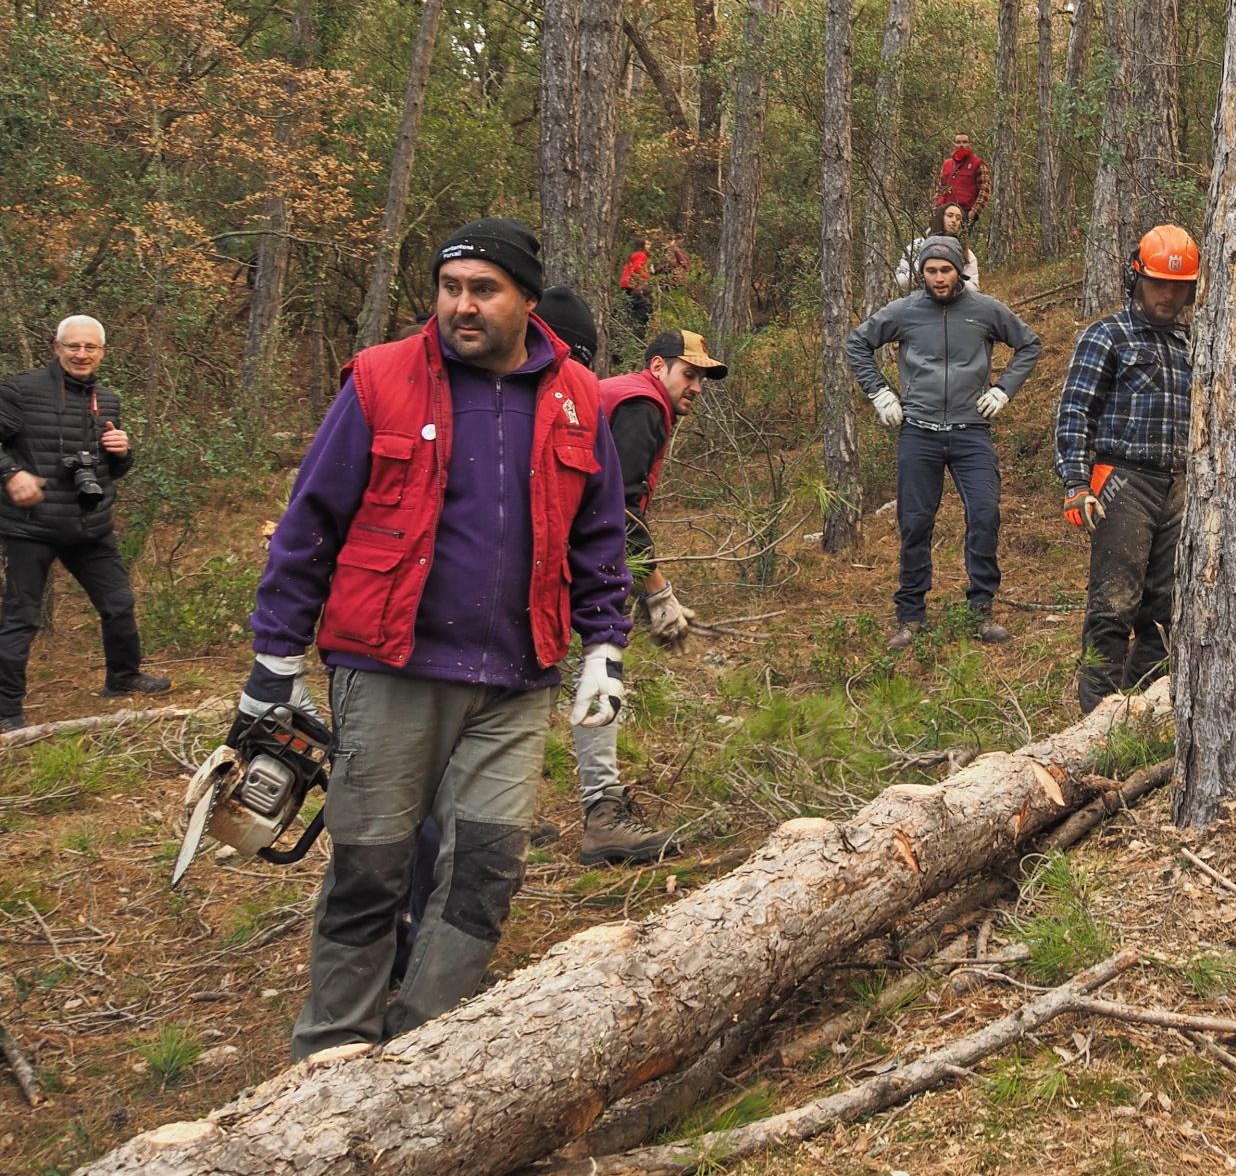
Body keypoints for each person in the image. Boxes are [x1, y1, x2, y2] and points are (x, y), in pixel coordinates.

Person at [248, 219, 631, 1059]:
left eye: (483, 289)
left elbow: (599, 535)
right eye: (450, 288)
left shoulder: (576, 395)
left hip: (517, 678)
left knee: (486, 871)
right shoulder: (381, 379)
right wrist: (274, 660)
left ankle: (424, 1049)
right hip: (391, 668)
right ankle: (333, 1051)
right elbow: (311, 523)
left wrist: (605, 648)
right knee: (371, 868)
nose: (462, 305)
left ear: (526, 300)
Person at [848, 236, 1042, 652]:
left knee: (985, 513)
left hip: (971, 430)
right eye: (931, 271)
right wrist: (880, 393)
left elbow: (1029, 343)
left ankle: (981, 608)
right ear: (922, 273)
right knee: (915, 523)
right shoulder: (905, 311)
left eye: (946, 270)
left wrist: (1004, 389)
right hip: (918, 431)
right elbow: (857, 343)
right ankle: (910, 615)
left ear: (959, 271)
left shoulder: (985, 309)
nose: (938, 278)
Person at [585, 327, 729, 865]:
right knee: (599, 669)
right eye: (688, 375)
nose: (696, 388)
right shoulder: (642, 405)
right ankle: (602, 816)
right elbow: (618, 510)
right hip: (575, 554)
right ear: (657, 367)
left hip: (559, 545)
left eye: (702, 380)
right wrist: (657, 592)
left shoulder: (626, 396)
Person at [1054, 225, 1196, 712]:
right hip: (1122, 481)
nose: (1168, 295)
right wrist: (1076, 481)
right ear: (1136, 278)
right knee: (1113, 605)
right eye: (1158, 283)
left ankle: (1141, 708)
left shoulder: (1193, 344)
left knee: (1168, 609)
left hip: (1181, 484)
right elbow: (1075, 411)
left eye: (1178, 286)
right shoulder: (1107, 336)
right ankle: (1096, 715)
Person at [0, 316, 165, 730]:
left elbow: (111, 470)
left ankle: (122, 676)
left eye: (90, 347)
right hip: (31, 525)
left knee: (118, 603)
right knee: (22, 617)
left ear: (102, 352)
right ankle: (6, 710)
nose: (81, 354)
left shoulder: (106, 400)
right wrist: (12, 474)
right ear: (56, 347)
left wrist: (122, 452)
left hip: (90, 525)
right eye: (73, 346)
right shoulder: (21, 391)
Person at [895, 203, 982, 292]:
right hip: (919, 298)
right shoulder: (917, 245)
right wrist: (919, 278)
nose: (954, 220)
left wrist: (955, 281)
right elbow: (899, 279)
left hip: (953, 300)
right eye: (950, 216)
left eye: (958, 218)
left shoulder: (966, 253)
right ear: (940, 217)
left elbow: (974, 287)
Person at [934, 133, 990, 224]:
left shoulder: (978, 164)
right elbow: (939, 188)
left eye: (964, 142)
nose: (961, 145)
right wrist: (936, 209)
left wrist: (973, 214)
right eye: (958, 142)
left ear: (970, 145)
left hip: (964, 213)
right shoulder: (946, 164)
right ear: (954, 145)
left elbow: (984, 191)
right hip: (944, 212)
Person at [618, 239, 655, 341]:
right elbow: (637, 269)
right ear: (642, 245)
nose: (649, 246)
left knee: (629, 306)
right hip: (632, 284)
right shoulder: (641, 255)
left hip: (626, 283)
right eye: (647, 244)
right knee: (638, 307)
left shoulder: (634, 254)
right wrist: (648, 278)